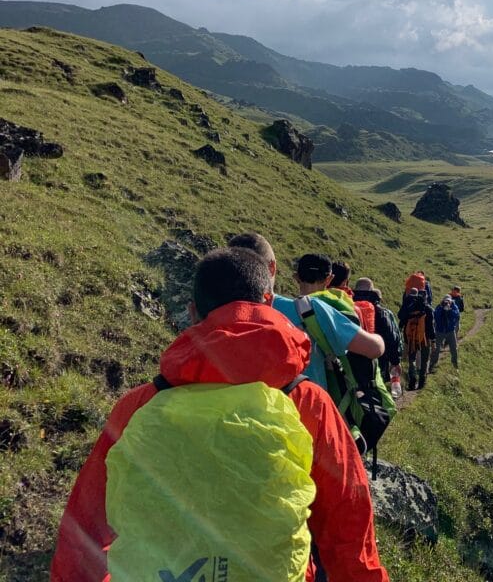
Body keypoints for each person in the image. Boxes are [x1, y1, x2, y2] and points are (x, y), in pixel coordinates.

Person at [51, 247, 389, 581]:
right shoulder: (307, 402)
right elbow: (349, 528)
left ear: (193, 312)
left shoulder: (140, 404)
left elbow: (84, 531)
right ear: (269, 303)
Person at [227, 233, 383, 393]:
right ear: (272, 268)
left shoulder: (211, 317)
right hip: (306, 412)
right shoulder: (308, 309)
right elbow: (373, 348)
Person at [352, 277, 402, 381]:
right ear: (372, 290)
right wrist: (395, 361)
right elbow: (391, 337)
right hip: (377, 359)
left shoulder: (347, 306)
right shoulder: (381, 312)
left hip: (351, 361)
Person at [398, 288, 434, 391]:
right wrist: (433, 340)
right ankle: (422, 381)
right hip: (424, 338)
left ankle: (412, 379)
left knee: (411, 359)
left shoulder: (409, 308)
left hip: (410, 338)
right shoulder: (428, 309)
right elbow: (431, 327)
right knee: (424, 360)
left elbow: (401, 319)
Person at [429, 294, 461, 373]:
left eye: (449, 301)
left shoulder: (454, 306)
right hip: (440, 331)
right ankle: (432, 365)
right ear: (443, 301)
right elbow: (436, 316)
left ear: (451, 301)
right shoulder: (439, 307)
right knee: (436, 349)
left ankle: (455, 365)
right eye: (445, 301)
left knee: (454, 348)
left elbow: (457, 316)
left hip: (450, 331)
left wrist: (450, 310)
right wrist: (442, 308)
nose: (447, 303)